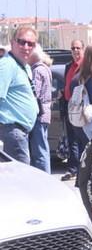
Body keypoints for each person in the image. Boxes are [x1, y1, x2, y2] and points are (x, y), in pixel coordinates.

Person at [0, 25, 39, 163]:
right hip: (11, 132)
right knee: (20, 181)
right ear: (12, 43)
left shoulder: (23, 66)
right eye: (22, 42)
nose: (26, 47)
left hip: (20, 133)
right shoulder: (7, 65)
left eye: (31, 44)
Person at [28, 45, 53, 173]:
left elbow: (34, 93)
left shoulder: (37, 70)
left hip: (39, 114)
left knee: (39, 151)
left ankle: (45, 179)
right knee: (42, 149)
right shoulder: (45, 68)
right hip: (45, 113)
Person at [60, 39, 84, 179]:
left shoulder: (86, 66)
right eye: (73, 48)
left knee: (81, 139)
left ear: (83, 49)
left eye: (78, 48)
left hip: (80, 108)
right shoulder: (68, 66)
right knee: (72, 140)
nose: (75, 51)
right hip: (69, 107)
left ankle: (81, 168)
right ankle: (73, 168)